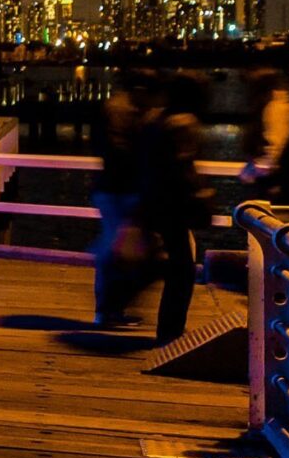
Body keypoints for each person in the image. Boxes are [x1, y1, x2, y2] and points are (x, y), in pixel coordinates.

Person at [136, 74, 214, 344]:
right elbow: (184, 165)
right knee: (182, 270)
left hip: (152, 198)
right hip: (173, 203)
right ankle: (171, 332)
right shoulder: (183, 124)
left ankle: (166, 327)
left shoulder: (154, 120)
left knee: (169, 262)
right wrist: (201, 192)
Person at [90, 70, 151, 328]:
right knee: (121, 249)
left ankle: (110, 308)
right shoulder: (126, 111)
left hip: (111, 187)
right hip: (122, 189)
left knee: (117, 247)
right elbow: (123, 150)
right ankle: (109, 309)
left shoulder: (112, 108)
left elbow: (102, 146)